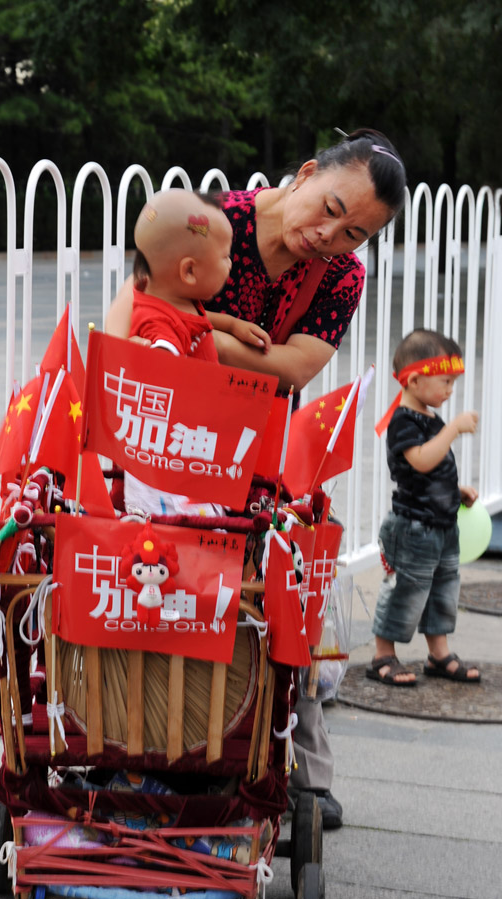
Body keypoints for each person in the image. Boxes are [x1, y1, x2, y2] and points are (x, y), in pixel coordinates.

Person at [107, 128, 408, 830]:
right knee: (159, 584)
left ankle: (303, 767)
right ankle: (150, 742)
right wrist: (209, 336)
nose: (330, 235)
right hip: (167, 437)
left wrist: (193, 335)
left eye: (355, 233)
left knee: (281, 587)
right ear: (304, 174)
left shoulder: (342, 276)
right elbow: (134, 320)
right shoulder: (215, 220)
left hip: (261, 446)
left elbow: (301, 367)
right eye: (329, 207)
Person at [123, 188, 268, 517]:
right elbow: (161, 358)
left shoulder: (167, 299)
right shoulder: (160, 326)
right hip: (171, 476)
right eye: (225, 257)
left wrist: (230, 324)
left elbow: (193, 320)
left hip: (179, 456)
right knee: (193, 540)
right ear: (188, 271)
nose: (231, 264)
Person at [367, 329, 480, 686]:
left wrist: (455, 490)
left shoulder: (429, 417)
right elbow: (420, 461)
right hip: (413, 527)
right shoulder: (404, 421)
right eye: (445, 382)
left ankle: (439, 652)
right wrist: (454, 431)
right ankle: (383, 656)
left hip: (442, 525)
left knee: (444, 588)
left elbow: (432, 470)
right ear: (414, 380)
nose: (449, 390)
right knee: (406, 588)